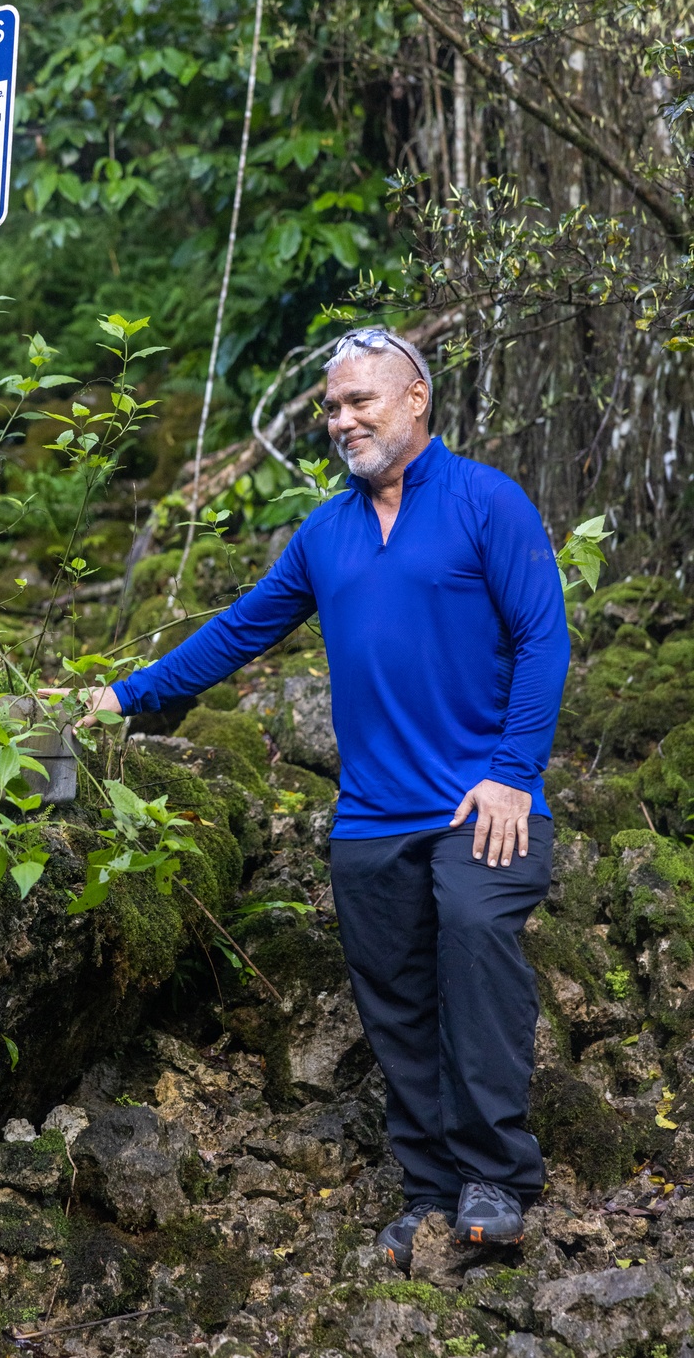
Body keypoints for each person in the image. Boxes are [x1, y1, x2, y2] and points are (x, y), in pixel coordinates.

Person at [84, 328, 570, 1271]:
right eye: (332, 407)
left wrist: (515, 770)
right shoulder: (325, 531)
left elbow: (544, 639)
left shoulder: (485, 501)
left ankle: (496, 1180)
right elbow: (237, 633)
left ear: (415, 399)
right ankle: (430, 1190)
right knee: (393, 1000)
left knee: (473, 942)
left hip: (482, 803)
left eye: (361, 401)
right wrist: (125, 694)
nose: (343, 420)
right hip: (372, 817)